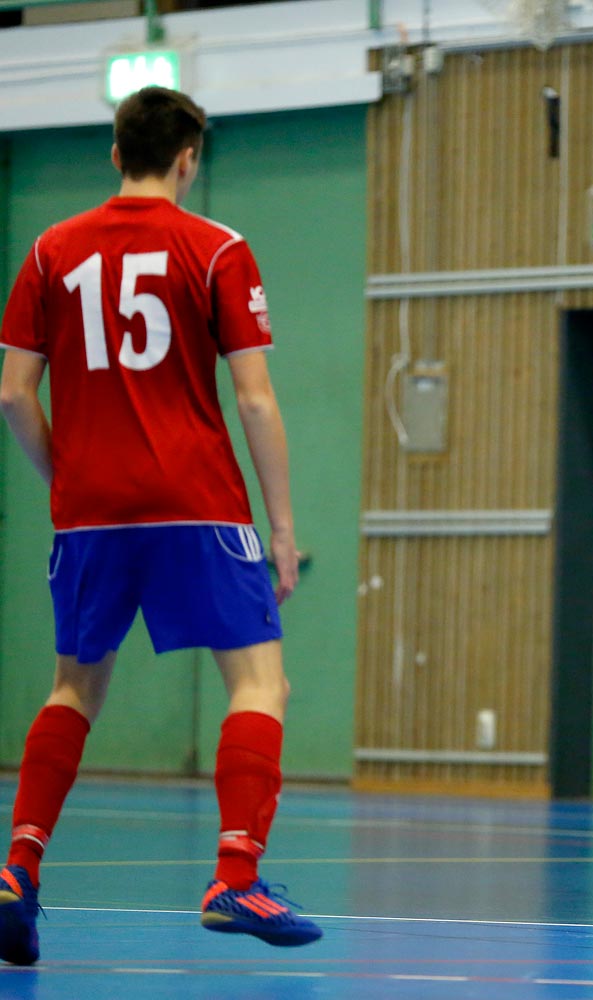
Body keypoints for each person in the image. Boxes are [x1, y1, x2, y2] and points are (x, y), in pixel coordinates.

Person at [0, 86, 321, 965]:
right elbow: (254, 399)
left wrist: (66, 477)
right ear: (189, 158)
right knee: (261, 685)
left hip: (90, 515)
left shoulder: (47, 252)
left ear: (114, 153)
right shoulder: (217, 248)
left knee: (73, 690)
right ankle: (235, 875)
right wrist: (283, 530)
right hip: (197, 505)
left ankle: (17, 870)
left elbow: (11, 395)